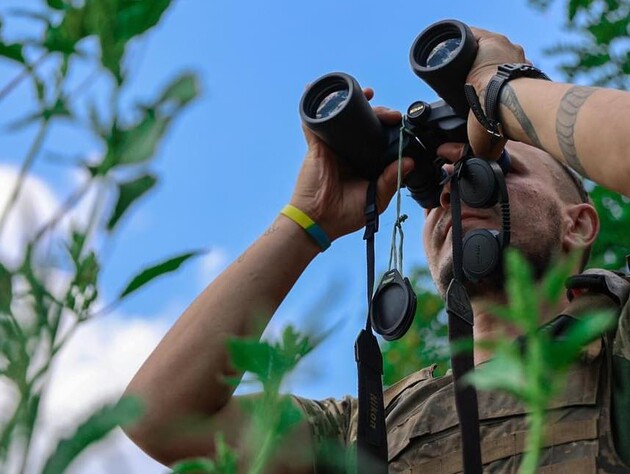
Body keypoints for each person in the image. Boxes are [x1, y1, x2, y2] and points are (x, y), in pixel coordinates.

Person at [122, 26, 630, 472]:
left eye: (495, 169)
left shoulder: (616, 344)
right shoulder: (366, 429)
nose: (454, 188)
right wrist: (309, 221)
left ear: (579, 225)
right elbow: (161, 420)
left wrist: (500, 88)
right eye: (437, 187)